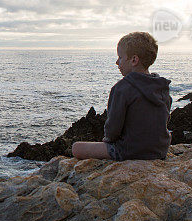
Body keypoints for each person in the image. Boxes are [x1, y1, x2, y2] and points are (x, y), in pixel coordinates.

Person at [72, 32, 172, 161]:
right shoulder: (161, 86)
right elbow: (164, 117)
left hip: (129, 151)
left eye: (120, 57)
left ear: (134, 60)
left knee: (76, 148)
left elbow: (113, 127)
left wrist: (108, 140)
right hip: (159, 151)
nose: (117, 62)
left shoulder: (122, 88)